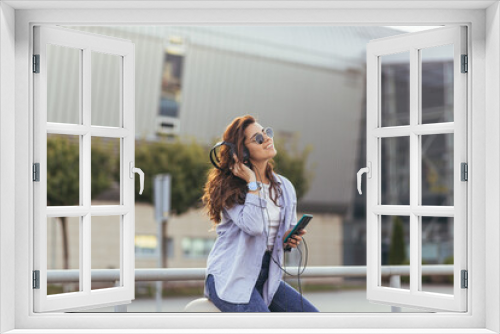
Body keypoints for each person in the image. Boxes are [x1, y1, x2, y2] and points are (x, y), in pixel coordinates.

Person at [201, 115, 319, 312]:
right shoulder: (231, 188)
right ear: (242, 152)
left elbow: (281, 235)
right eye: (258, 138)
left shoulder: (285, 187)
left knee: (314, 320)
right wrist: (252, 182)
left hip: (267, 277)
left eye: (267, 133)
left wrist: (290, 239)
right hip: (230, 277)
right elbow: (254, 226)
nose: (267, 139)